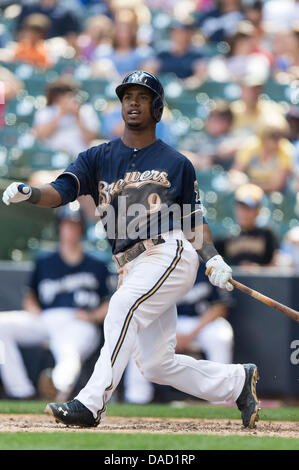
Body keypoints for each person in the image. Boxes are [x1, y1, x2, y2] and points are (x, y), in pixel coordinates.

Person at [2, 70, 260, 429]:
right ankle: (236, 381)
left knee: (122, 306)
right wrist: (30, 193)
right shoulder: (97, 157)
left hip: (167, 251)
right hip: (129, 265)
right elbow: (60, 190)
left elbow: (193, 219)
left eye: (141, 97)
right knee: (156, 364)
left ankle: (90, 404)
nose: (133, 103)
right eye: (127, 97)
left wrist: (212, 257)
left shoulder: (176, 162)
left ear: (157, 108)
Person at [0, 204, 112, 401]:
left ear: (82, 229)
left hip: (80, 321)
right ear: (59, 228)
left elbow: (109, 303)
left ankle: (56, 387)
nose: (70, 230)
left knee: (69, 352)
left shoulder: (98, 263)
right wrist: (33, 309)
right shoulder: (44, 260)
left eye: (74, 226)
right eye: (66, 225)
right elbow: (30, 295)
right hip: (47, 318)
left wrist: (92, 317)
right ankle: (21, 391)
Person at [124, 262, 234, 404]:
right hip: (167, 322)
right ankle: (137, 398)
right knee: (139, 336)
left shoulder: (207, 266)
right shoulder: (159, 266)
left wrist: (190, 335)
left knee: (221, 335)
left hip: (201, 322)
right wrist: (169, 333)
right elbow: (146, 307)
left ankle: (220, 398)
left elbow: (220, 307)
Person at [32, 77, 100, 158]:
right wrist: (61, 114)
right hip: (51, 157)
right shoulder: (45, 112)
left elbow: (91, 138)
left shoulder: (86, 110)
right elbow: (41, 136)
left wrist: (77, 116)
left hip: (79, 158)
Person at [215, 183, 279, 267]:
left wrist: (259, 269)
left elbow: (275, 265)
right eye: (241, 208)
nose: (243, 213)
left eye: (248, 208)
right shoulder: (227, 236)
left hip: (260, 280)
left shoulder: (267, 235)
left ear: (258, 210)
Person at [233, 115, 294, 194]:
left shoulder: (286, 150)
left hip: (273, 194)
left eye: (281, 135)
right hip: (250, 188)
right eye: (274, 136)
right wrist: (239, 180)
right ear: (263, 135)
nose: (278, 140)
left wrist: (248, 185)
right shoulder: (251, 145)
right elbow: (235, 172)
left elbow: (275, 186)